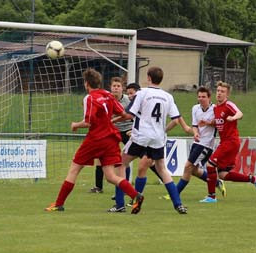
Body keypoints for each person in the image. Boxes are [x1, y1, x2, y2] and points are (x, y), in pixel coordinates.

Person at [45, 68, 144, 214]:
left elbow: (89, 122)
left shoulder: (90, 98)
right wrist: (110, 121)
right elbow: (125, 114)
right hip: (111, 139)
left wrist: (75, 125)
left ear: (86, 84)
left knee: (74, 169)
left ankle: (59, 204)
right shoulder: (108, 96)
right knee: (110, 176)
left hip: (96, 139)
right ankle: (136, 195)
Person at [113, 66, 192, 214]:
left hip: (141, 136)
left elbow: (129, 115)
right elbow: (176, 117)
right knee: (162, 169)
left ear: (149, 77)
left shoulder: (142, 93)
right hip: (157, 138)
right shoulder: (168, 97)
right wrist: (186, 127)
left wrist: (111, 121)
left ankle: (120, 204)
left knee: (121, 164)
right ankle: (178, 204)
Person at [203, 81, 256, 202]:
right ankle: (254, 179)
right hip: (227, 142)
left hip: (230, 142)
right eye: (218, 91)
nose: (219, 93)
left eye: (222, 92)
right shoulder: (216, 108)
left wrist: (233, 117)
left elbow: (240, 113)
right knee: (223, 174)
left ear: (227, 95)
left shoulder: (228, 105)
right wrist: (208, 123)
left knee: (210, 165)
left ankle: (211, 196)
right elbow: (218, 122)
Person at [174, 86, 226, 201]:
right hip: (197, 142)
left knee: (188, 166)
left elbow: (219, 124)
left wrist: (207, 122)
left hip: (206, 144)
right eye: (199, 97)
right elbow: (194, 125)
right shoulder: (195, 108)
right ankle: (216, 182)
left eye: (203, 97)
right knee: (194, 170)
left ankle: (175, 193)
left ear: (209, 98)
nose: (201, 99)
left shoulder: (215, 109)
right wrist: (196, 133)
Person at [89, 77, 132, 193]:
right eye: (114, 86)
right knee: (100, 157)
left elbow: (134, 115)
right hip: (112, 131)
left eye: (118, 86)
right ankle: (98, 187)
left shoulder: (128, 100)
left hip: (128, 130)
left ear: (122, 88)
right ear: (110, 88)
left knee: (135, 157)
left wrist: (134, 129)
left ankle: (125, 185)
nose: (116, 88)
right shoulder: (106, 100)